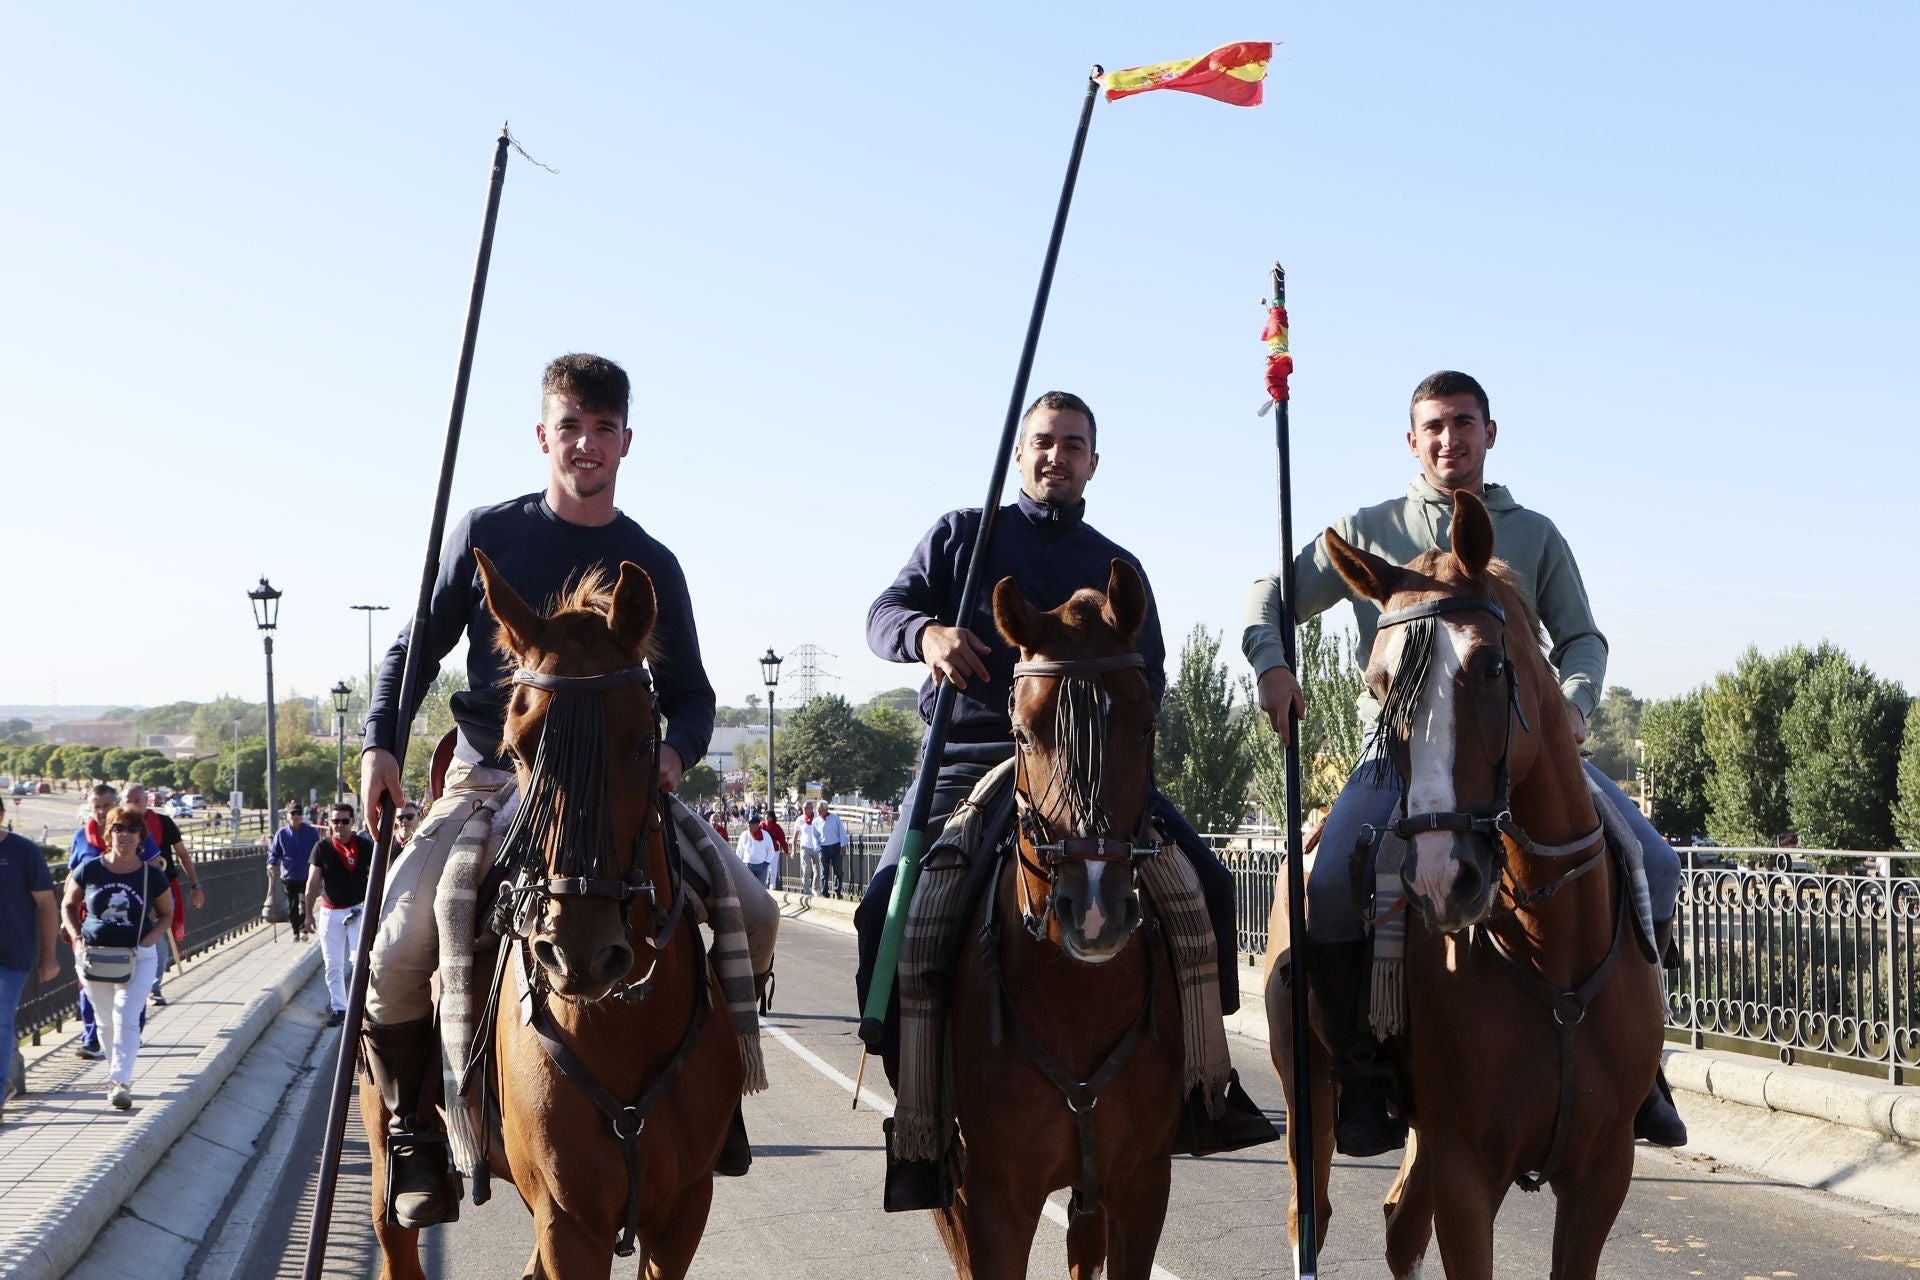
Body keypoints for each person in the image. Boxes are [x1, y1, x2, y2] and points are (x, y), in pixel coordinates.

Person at [1241, 369, 1687, 1157]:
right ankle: (1364, 1072)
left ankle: (1640, 1066)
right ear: (1412, 442)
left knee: (1654, 860)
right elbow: (1271, 595)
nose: (1450, 439)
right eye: (1434, 427)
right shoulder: (1370, 528)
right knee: (1335, 890)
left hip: (1524, 746)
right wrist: (1273, 664)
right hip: (1401, 757)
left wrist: (1574, 705)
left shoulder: (1535, 534)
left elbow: (1582, 639)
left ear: (1490, 432)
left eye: (1463, 423)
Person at [357, 352, 758, 1228]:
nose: (586, 444)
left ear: (625, 442)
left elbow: (692, 696)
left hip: (618, 782)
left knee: (755, 914)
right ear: (545, 434)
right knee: (393, 952)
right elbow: (412, 650)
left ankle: (717, 1105)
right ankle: (417, 1131)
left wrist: (673, 757)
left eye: (603, 429)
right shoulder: (486, 532)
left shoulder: (649, 560)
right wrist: (380, 744)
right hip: (496, 771)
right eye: (570, 427)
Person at [858, 390, 1269, 1206]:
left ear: (1093, 462)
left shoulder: (1119, 564)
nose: (1058, 457)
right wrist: (928, 636)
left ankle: (1202, 1090)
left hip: (1100, 773)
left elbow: (1149, 676)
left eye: (1074, 445)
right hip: (970, 759)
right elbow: (884, 616)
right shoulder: (963, 537)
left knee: (1209, 889)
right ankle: (922, 1121)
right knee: (885, 913)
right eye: (1044, 443)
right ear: (1020, 454)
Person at [62, 804, 172, 1110]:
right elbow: (68, 905)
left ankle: (120, 1081)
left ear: (141, 836)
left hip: (138, 956)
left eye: (131, 829)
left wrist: (148, 940)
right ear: (107, 833)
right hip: (93, 956)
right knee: (104, 1021)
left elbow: (166, 914)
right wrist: (77, 936)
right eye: (117, 828)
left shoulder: (152, 875)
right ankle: (117, 1073)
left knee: (125, 1014)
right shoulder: (90, 869)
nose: (124, 834)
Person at [66, 785, 158, 1060]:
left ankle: (130, 1034)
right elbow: (72, 879)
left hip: (132, 930)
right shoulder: (81, 837)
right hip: (90, 927)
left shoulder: (131, 828)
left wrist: (152, 920)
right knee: (90, 982)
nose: (102, 811)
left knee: (129, 986)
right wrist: (67, 923)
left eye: (106, 805)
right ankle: (92, 1038)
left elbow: (155, 873)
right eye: (97, 806)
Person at [1, 797, 59, 1122]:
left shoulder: (23, 852)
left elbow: (47, 904)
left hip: (13, 953)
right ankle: (7, 1081)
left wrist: (49, 956)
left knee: (2, 1017)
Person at [121, 784, 204, 1007]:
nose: (133, 805)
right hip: (126, 891)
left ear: (145, 800)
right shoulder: (119, 825)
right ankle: (129, 982)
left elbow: (182, 854)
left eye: (137, 800)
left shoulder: (163, 822)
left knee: (157, 936)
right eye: (129, 800)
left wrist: (195, 884)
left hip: (160, 888)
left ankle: (153, 986)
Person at [308, 803, 371, 1027]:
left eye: (345, 821)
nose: (340, 826)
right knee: (333, 964)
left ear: (352, 822)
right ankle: (339, 1007)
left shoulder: (364, 846)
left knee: (358, 961)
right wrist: (308, 914)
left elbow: (378, 876)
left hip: (358, 909)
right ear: (329, 822)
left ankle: (359, 1007)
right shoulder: (322, 847)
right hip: (330, 912)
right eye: (335, 821)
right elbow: (313, 882)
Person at [268, 802, 320, 940]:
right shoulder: (281, 834)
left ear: (302, 816)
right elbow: (275, 852)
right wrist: (271, 864)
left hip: (306, 875)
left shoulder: (311, 832)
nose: (296, 816)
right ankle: (295, 931)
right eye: (293, 813)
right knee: (292, 906)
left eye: (298, 813)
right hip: (288, 875)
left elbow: (318, 851)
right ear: (287, 816)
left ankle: (304, 931)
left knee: (306, 903)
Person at [814, 801, 847, 898]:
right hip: (824, 848)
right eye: (817, 809)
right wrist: (818, 848)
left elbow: (841, 832)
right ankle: (824, 892)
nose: (818, 811)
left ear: (825, 809)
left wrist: (843, 846)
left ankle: (838, 891)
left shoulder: (835, 818)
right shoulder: (816, 821)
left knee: (838, 871)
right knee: (824, 872)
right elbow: (815, 836)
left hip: (836, 846)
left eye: (819, 809)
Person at [735, 817, 776, 888]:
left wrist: (766, 862)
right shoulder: (744, 835)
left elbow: (771, 850)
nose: (748, 826)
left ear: (756, 825)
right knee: (747, 887)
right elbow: (739, 851)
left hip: (762, 866)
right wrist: (739, 864)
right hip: (747, 866)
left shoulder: (765, 835)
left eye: (750, 824)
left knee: (761, 888)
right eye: (748, 824)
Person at [795, 801, 821, 897]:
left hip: (816, 847)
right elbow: (795, 835)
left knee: (818, 870)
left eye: (807, 808)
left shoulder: (817, 819)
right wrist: (793, 849)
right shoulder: (800, 819)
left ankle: (815, 888)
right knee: (806, 869)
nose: (805, 810)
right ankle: (806, 890)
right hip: (805, 847)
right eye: (804, 808)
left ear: (812, 808)